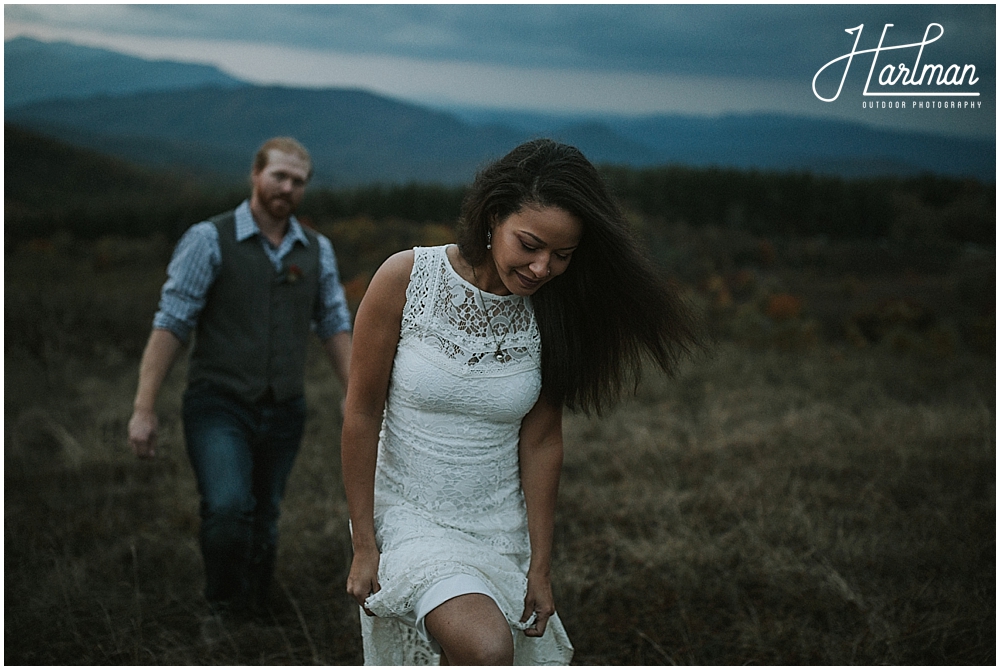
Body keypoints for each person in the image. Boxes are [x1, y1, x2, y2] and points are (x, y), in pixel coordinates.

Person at [341, 139, 700, 664]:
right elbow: (361, 413)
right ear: (492, 219)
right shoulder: (406, 278)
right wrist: (365, 543)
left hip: (498, 528)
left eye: (562, 256)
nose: (541, 268)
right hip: (408, 514)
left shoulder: (552, 314)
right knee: (488, 648)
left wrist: (540, 567)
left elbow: (541, 440)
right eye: (529, 244)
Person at [127, 137, 353, 619]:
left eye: (298, 181)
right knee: (229, 507)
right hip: (219, 404)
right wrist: (144, 408)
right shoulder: (209, 238)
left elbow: (334, 323)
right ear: (255, 175)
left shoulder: (317, 250)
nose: (287, 187)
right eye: (279, 176)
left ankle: (256, 611)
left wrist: (355, 396)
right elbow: (172, 322)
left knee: (265, 515)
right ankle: (223, 610)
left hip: (285, 408)